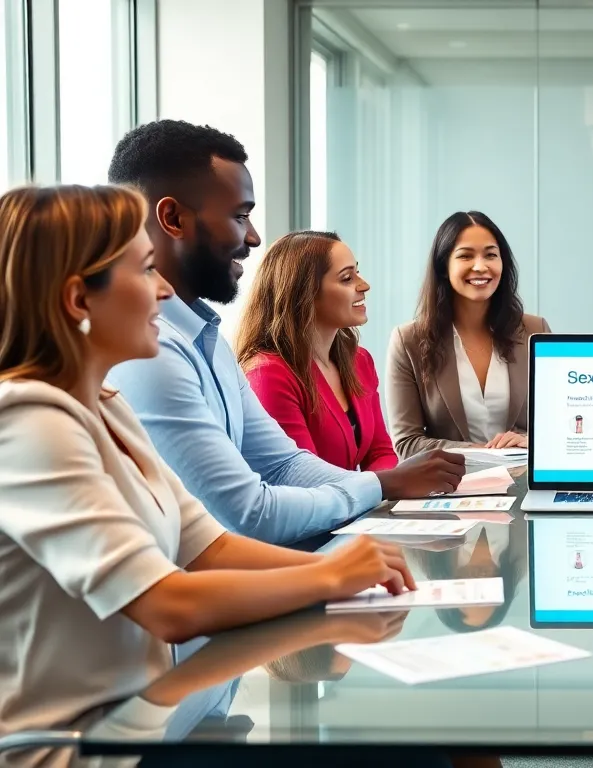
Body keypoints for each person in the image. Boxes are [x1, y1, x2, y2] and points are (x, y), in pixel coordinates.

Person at [0, 184, 418, 743]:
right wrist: (329, 576)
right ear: (79, 301)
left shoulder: (107, 406)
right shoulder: (29, 421)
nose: (164, 288)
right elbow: (166, 605)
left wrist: (346, 568)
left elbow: (210, 548)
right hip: (77, 748)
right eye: (145, 270)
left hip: (148, 717)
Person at [103, 120, 463, 547]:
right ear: (173, 218)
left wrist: (386, 484)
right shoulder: (153, 352)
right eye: (240, 216)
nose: (254, 237)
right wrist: (380, 486)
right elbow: (249, 514)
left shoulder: (207, 340)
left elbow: (284, 465)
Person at [387, 211, 551, 454]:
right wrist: (484, 452)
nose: (480, 266)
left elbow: (560, 425)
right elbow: (407, 443)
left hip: (524, 475)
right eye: (465, 256)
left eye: (491, 255)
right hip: (452, 477)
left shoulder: (535, 331)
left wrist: (529, 441)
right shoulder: (408, 341)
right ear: (444, 266)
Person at [236, 230, 398, 473]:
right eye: (347, 278)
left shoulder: (359, 360)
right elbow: (304, 477)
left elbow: (380, 452)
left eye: (357, 272)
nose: (364, 285)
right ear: (304, 292)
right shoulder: (268, 375)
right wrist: (379, 486)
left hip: (357, 498)